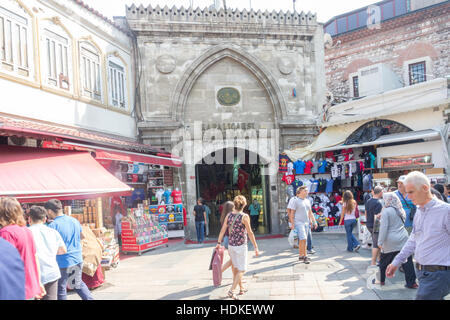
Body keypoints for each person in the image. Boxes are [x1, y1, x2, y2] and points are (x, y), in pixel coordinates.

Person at [386, 171, 450, 300]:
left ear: (425, 188)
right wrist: (397, 261)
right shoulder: (419, 211)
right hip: (423, 273)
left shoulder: (445, 211)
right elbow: (414, 239)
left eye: (411, 192)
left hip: (438, 274)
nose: (408, 197)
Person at [44, 199, 94, 300]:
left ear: (49, 211)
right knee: (76, 284)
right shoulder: (74, 220)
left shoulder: (53, 225)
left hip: (62, 261)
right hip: (76, 259)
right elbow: (83, 236)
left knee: (61, 288)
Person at [0, 197, 45, 300]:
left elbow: (5, 266)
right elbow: (35, 257)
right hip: (30, 287)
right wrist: (38, 282)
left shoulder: (6, 233)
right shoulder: (26, 230)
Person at [217, 195, 259, 300]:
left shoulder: (229, 215)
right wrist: (255, 246)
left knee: (236, 268)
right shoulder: (244, 216)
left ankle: (241, 288)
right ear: (244, 205)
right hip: (241, 246)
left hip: (231, 245)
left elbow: (222, 230)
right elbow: (250, 232)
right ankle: (232, 290)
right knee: (242, 270)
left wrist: (218, 242)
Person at [375, 193, 418, 288]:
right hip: (403, 237)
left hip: (390, 240)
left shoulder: (386, 211)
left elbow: (384, 228)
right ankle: (412, 282)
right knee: (407, 261)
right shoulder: (400, 209)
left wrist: (380, 242)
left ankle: (380, 280)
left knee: (383, 262)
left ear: (388, 200)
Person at [28, 205, 67, 300]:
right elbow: (63, 250)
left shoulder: (26, 232)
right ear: (45, 219)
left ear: (29, 219)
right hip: (51, 272)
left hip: (32, 274)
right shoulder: (53, 232)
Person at [287, 186, 318, 264]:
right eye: (305, 191)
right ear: (299, 192)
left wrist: (314, 221)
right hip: (298, 222)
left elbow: (310, 212)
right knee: (303, 238)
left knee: (302, 240)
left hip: (306, 223)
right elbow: (292, 213)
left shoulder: (307, 201)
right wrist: (292, 224)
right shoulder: (295, 201)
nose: (306, 192)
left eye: (307, 191)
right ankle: (305, 256)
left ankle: (301, 255)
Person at [365, 186, 383, 266]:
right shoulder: (378, 203)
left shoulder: (368, 201)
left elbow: (366, 212)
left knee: (377, 242)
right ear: (379, 192)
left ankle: (379, 259)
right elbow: (377, 217)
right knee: (376, 244)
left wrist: (367, 221)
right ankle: (373, 262)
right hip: (375, 225)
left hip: (369, 224)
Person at [219, 201, 235, 274]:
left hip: (226, 239)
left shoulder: (223, 217)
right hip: (231, 240)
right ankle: (219, 271)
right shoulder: (231, 217)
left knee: (233, 260)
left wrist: (219, 242)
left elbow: (222, 231)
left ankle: (236, 277)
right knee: (234, 260)